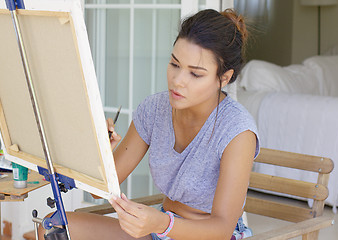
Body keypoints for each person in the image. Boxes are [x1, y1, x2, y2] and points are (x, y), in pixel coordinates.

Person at [40, 8, 259, 240]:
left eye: (195, 74)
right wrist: (100, 153)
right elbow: (98, 193)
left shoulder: (237, 131)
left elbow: (222, 230)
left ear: (224, 78)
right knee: (58, 226)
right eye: (175, 64)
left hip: (203, 236)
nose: (178, 81)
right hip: (160, 230)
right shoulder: (154, 110)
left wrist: (161, 223)